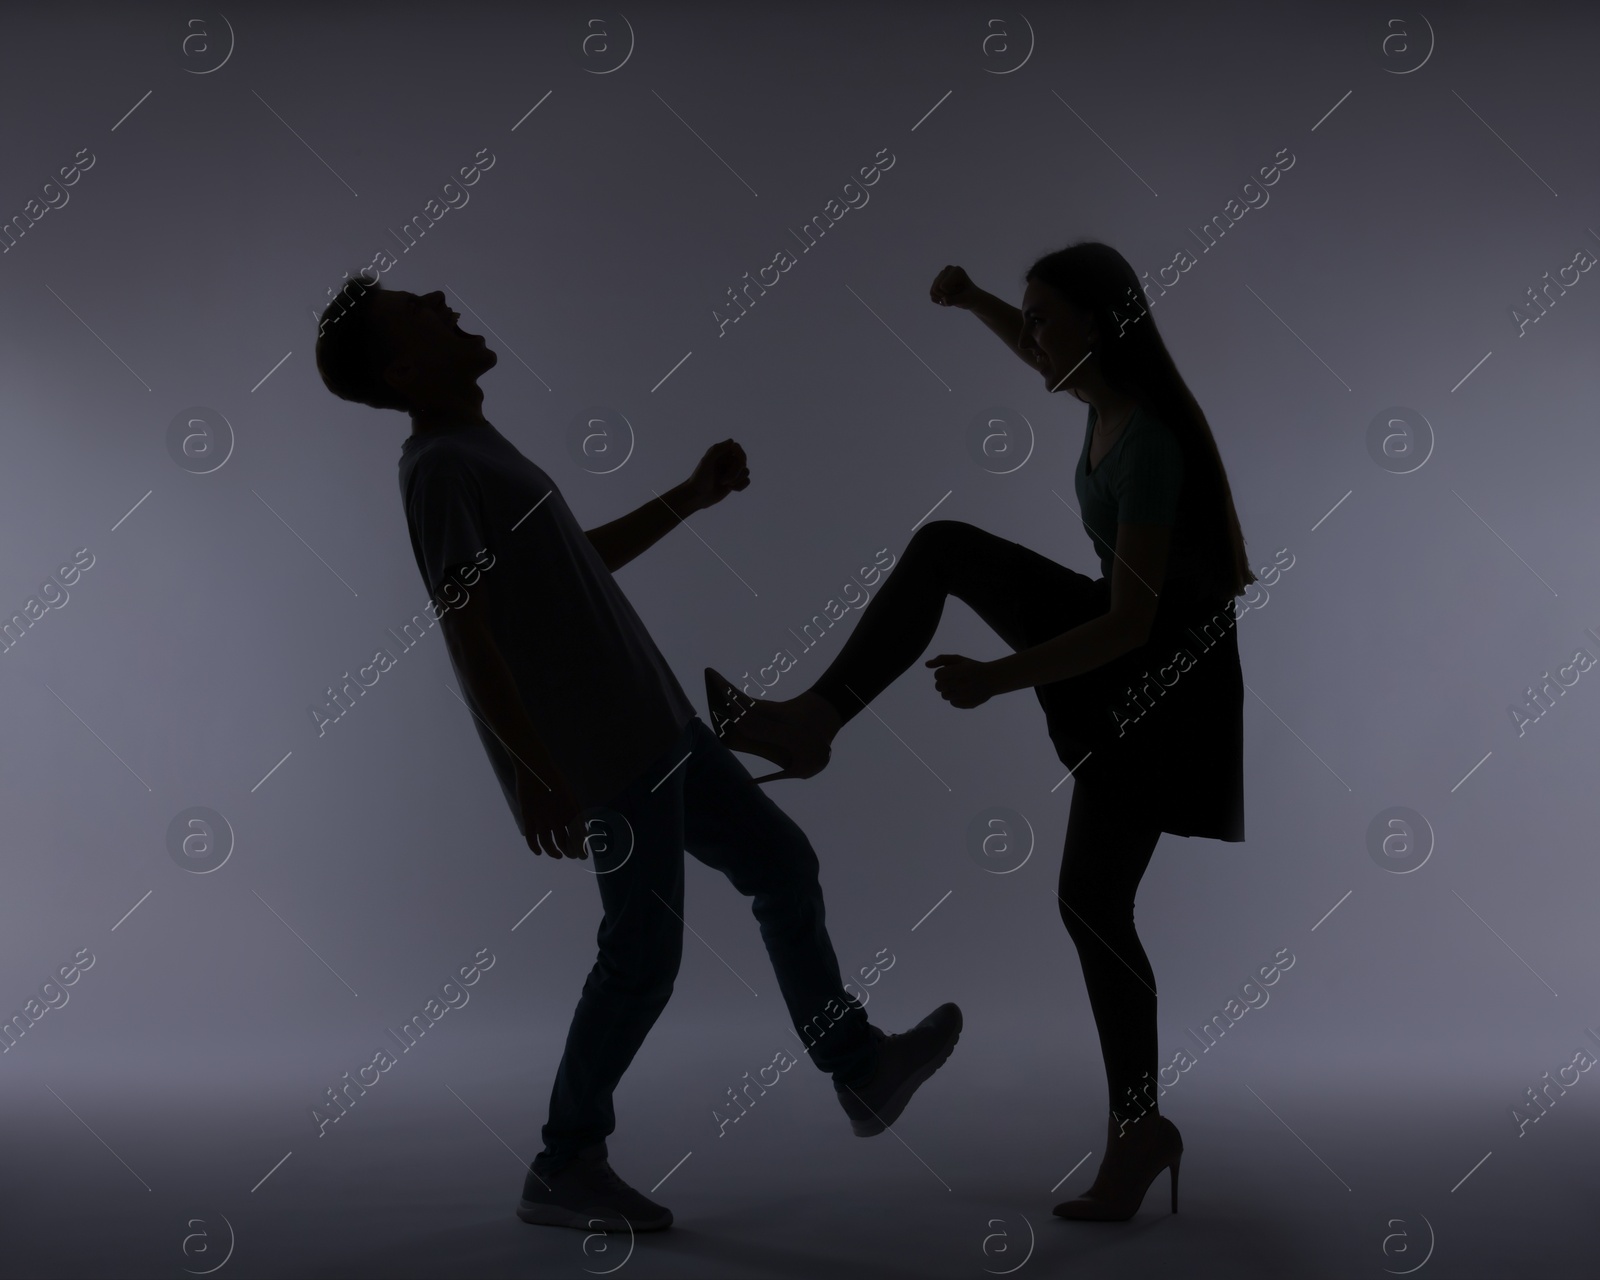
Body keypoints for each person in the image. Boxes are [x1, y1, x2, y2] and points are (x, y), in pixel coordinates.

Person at [313, 276, 962, 1233]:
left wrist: (690, 498)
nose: (442, 295)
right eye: (417, 307)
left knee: (782, 865)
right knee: (642, 957)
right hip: (605, 756)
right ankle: (565, 1162)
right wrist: (534, 774)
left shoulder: (478, 448)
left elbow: (569, 557)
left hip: (659, 730)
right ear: (404, 367)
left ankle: (859, 1071)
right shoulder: (442, 466)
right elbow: (468, 626)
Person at [706, 241, 1253, 1221]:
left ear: (1098, 325)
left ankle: (1138, 1128)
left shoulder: (1149, 440)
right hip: (1135, 647)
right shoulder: (1098, 396)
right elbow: (1035, 350)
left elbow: (1130, 623)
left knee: (1091, 904)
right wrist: (973, 303)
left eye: (1046, 318)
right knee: (946, 549)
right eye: (1030, 319)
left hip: (1162, 682)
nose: (1031, 337)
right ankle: (811, 723)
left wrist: (1000, 675)